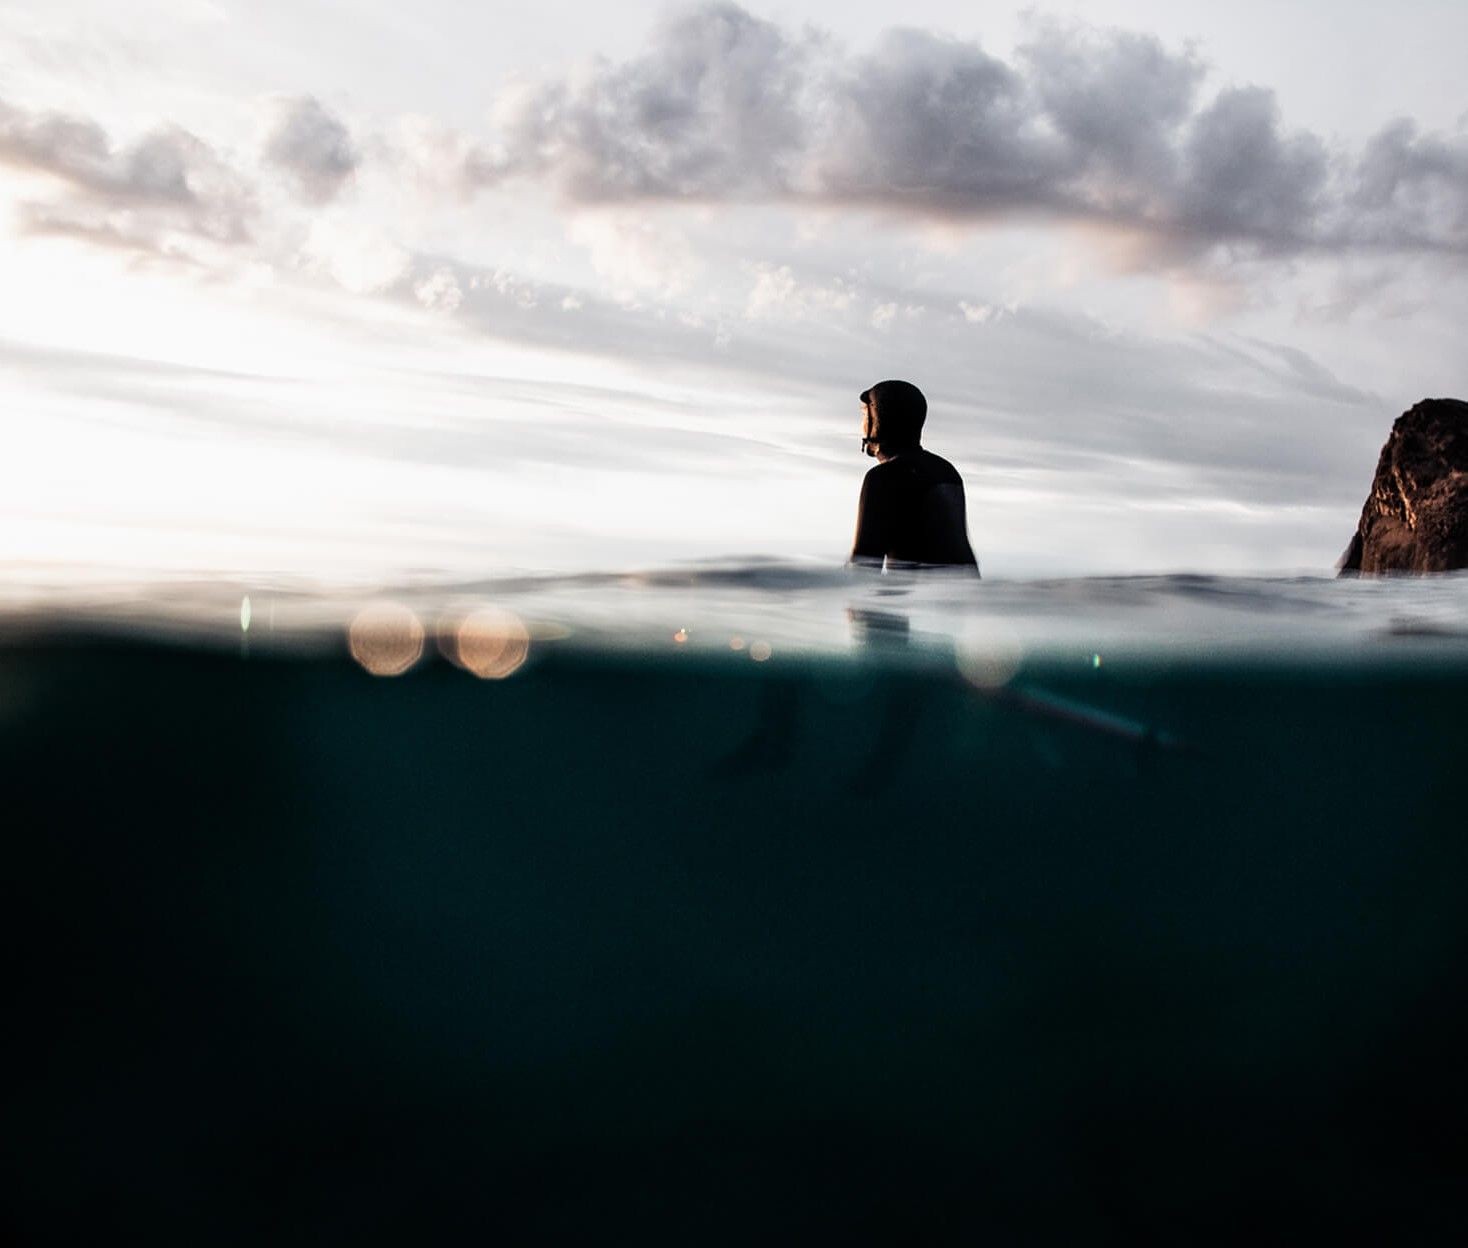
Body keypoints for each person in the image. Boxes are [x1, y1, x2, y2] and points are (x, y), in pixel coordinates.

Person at [849, 379, 979, 572]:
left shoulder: (883, 477)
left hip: (914, 600)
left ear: (877, 419)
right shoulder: (947, 471)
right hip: (966, 596)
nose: (861, 425)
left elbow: (863, 567)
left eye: (864, 415)